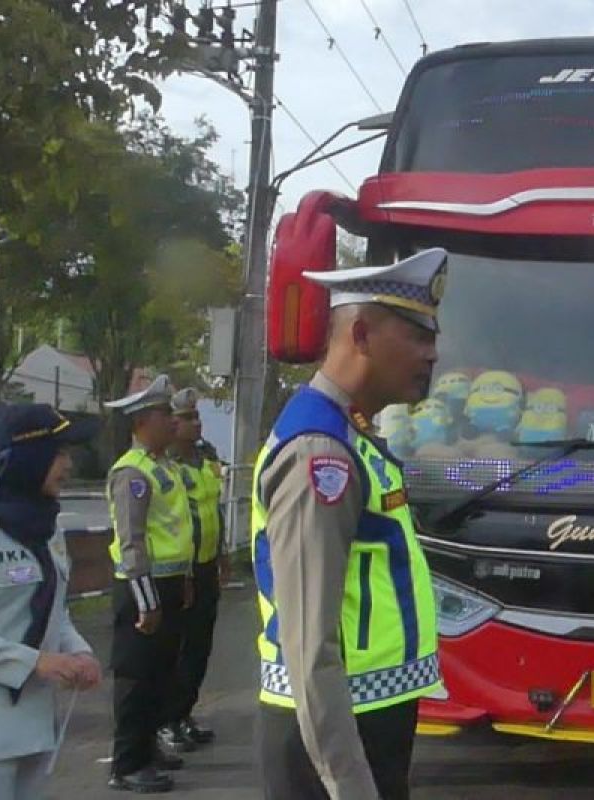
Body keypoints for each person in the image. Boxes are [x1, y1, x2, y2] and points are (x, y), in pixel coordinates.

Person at [253, 249, 446, 800]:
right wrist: (349, 785)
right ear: (361, 334)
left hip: (365, 716)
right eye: (418, 337)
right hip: (333, 735)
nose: (433, 355)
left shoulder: (349, 435)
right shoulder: (322, 451)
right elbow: (310, 645)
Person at [0, 404, 103, 799]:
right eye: (57, 452)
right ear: (25, 457)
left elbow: (52, 610)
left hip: (33, 730)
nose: (68, 464)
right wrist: (34, 663)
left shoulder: (45, 527)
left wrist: (79, 652)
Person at [104, 375, 195, 793]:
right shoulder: (132, 473)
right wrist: (147, 601)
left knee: (161, 675)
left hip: (171, 585)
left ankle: (147, 751)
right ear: (142, 421)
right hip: (144, 590)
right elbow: (131, 541)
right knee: (136, 680)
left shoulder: (165, 468)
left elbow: (179, 531)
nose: (172, 423)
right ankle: (126, 764)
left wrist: (187, 579)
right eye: (164, 416)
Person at [157, 388, 224, 752]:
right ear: (172, 423)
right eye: (187, 418)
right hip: (178, 572)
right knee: (176, 649)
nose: (195, 424)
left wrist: (223, 554)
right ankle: (165, 720)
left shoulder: (205, 457)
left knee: (200, 647)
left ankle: (184, 714)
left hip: (207, 565)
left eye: (197, 417)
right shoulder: (165, 465)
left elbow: (216, 509)